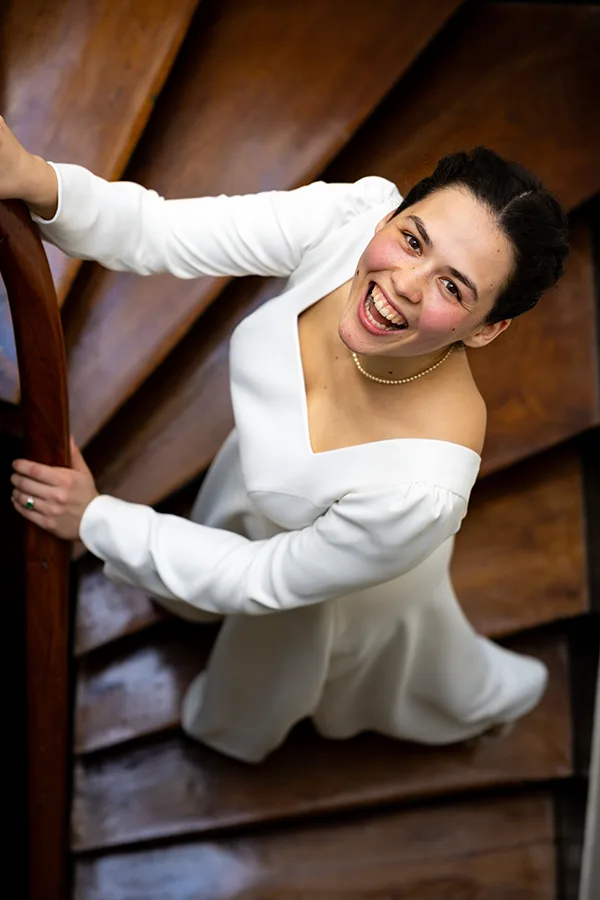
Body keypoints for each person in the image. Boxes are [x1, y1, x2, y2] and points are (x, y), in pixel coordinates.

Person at [2, 117, 569, 763]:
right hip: (251, 487)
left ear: (486, 329)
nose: (406, 285)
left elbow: (257, 576)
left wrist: (96, 519)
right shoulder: (347, 218)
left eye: (452, 286)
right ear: (392, 218)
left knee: (292, 656)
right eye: (412, 239)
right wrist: (33, 179)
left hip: (334, 586)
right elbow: (162, 230)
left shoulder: (418, 490)